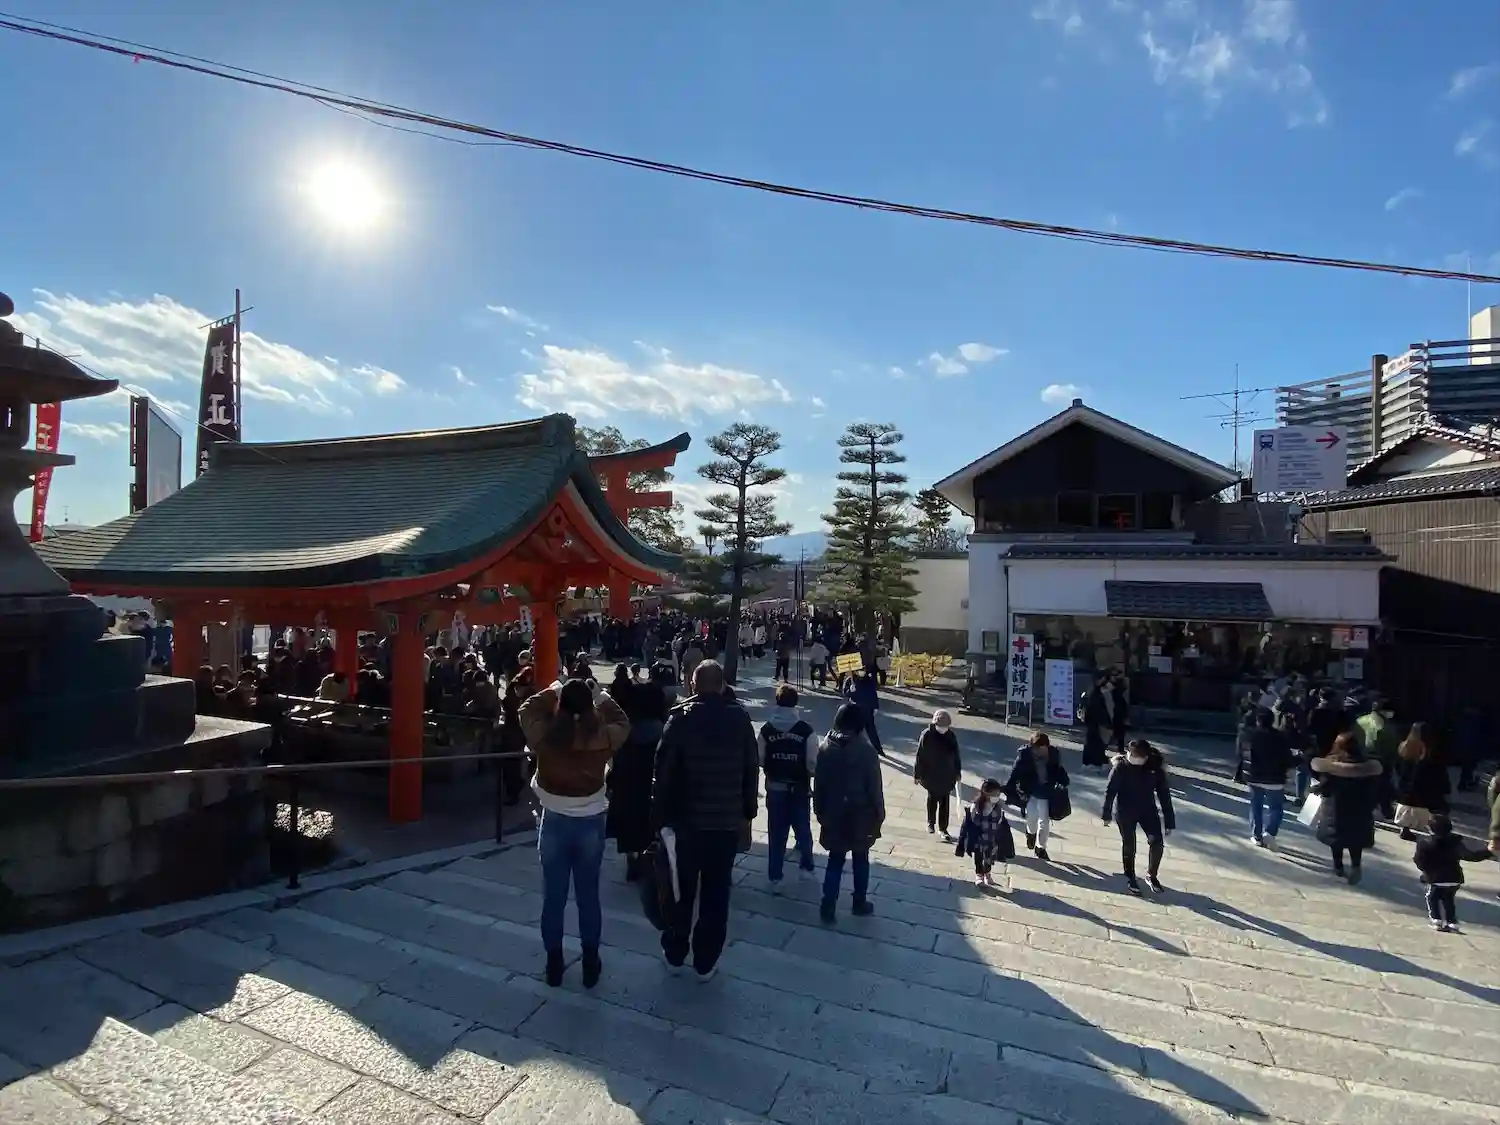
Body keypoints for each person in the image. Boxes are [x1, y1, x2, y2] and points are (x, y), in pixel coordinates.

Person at [517, 678, 631, 989]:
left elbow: (526, 709)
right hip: (590, 821)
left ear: (561, 705)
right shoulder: (602, 736)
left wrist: (554, 689)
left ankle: (554, 963)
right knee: (588, 897)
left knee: (553, 898)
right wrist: (601, 695)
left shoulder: (546, 735)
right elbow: (623, 722)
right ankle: (590, 962)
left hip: (554, 818)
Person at [652, 660, 760, 981]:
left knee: (679, 890)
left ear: (693, 684)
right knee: (716, 893)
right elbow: (751, 769)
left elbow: (662, 773)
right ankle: (705, 960)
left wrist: (658, 818)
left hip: (685, 823)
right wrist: (748, 813)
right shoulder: (740, 719)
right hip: (725, 822)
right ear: (723, 685)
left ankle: (675, 952)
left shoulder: (679, 719)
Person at [813, 703, 885, 924]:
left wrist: (819, 810)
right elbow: (874, 788)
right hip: (860, 815)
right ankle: (859, 901)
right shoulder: (867, 751)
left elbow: (819, 784)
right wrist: (879, 814)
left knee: (835, 860)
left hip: (833, 813)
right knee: (861, 859)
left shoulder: (826, 747)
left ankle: (828, 905)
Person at [606, 664, 667, 881]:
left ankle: (632, 859)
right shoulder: (663, 730)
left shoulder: (626, 731)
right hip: (654, 787)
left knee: (630, 823)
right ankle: (650, 858)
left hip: (628, 785)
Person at [759, 683, 818, 891]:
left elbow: (760, 758)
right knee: (803, 829)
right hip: (799, 787)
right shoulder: (806, 731)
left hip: (775, 787)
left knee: (776, 833)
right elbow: (812, 763)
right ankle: (806, 867)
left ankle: (775, 876)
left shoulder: (766, 730)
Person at [1102, 738, 1175, 895]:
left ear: (1145, 757)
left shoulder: (1154, 768)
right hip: (1125, 811)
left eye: (1137, 756)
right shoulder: (1121, 767)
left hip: (1147, 810)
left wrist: (1169, 821)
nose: (1133, 758)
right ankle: (1130, 877)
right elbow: (1110, 791)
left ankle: (1151, 875)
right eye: (1131, 754)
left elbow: (1164, 795)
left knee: (1157, 842)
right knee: (1129, 844)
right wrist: (1106, 814)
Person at [1310, 730, 1383, 885]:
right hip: (1360, 809)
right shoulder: (1366, 766)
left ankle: (1338, 867)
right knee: (1355, 839)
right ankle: (1356, 866)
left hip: (1336, 808)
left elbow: (1326, 787)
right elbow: (1375, 787)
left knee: (1336, 839)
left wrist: (1316, 789)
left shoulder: (1332, 766)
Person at [1412, 814, 1492, 931]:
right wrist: (1488, 851)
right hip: (1454, 878)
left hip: (1436, 878)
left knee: (1432, 898)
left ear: (1430, 828)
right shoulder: (1455, 843)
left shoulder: (1424, 843)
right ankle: (1452, 922)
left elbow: (1419, 860)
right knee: (1448, 900)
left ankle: (1436, 920)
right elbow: (1471, 856)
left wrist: (1426, 873)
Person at [1004, 732, 1069, 862]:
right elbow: (1015, 773)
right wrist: (1008, 789)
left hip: (1046, 792)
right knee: (1031, 818)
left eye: (1044, 749)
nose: (1041, 752)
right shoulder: (1025, 756)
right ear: (1032, 747)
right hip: (1030, 792)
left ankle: (1041, 847)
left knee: (1044, 821)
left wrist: (1063, 781)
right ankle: (1030, 834)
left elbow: (1058, 770)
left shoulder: (1053, 754)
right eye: (1038, 749)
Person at [1242, 709, 1295, 850]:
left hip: (1254, 777)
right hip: (1275, 779)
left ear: (1258, 721)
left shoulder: (1251, 735)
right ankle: (1270, 832)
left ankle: (1257, 836)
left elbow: (1243, 754)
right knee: (1276, 808)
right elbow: (1288, 759)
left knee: (1256, 806)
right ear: (1272, 721)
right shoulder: (1280, 737)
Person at [1392, 722, 1449, 840]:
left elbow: (1398, 767)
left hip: (1405, 788)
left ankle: (1405, 829)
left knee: (1407, 809)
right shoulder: (1431, 752)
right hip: (1424, 790)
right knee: (1437, 810)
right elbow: (1439, 772)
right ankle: (1436, 832)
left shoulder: (1404, 748)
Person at [913, 709, 962, 841]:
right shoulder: (927, 735)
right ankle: (931, 822)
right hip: (931, 774)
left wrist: (957, 772)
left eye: (945, 726)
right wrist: (917, 774)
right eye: (940, 726)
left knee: (945, 802)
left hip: (947, 774)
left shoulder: (951, 736)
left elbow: (956, 756)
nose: (943, 728)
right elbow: (920, 755)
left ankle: (943, 828)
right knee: (932, 799)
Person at [955, 778, 1012, 887]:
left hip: (991, 838)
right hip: (979, 838)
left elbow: (1000, 822)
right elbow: (971, 822)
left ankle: (987, 874)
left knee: (989, 858)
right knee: (979, 857)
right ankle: (979, 875)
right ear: (986, 793)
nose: (997, 797)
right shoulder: (977, 806)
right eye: (995, 794)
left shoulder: (998, 808)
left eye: (998, 794)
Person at [841, 668, 884, 755]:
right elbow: (845, 693)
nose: (862, 672)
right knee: (853, 731)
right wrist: (850, 690)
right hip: (855, 709)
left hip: (867, 709)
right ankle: (849, 749)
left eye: (863, 670)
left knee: (871, 730)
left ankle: (878, 749)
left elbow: (873, 694)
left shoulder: (869, 680)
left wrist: (875, 707)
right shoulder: (850, 680)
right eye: (860, 670)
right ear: (856, 671)